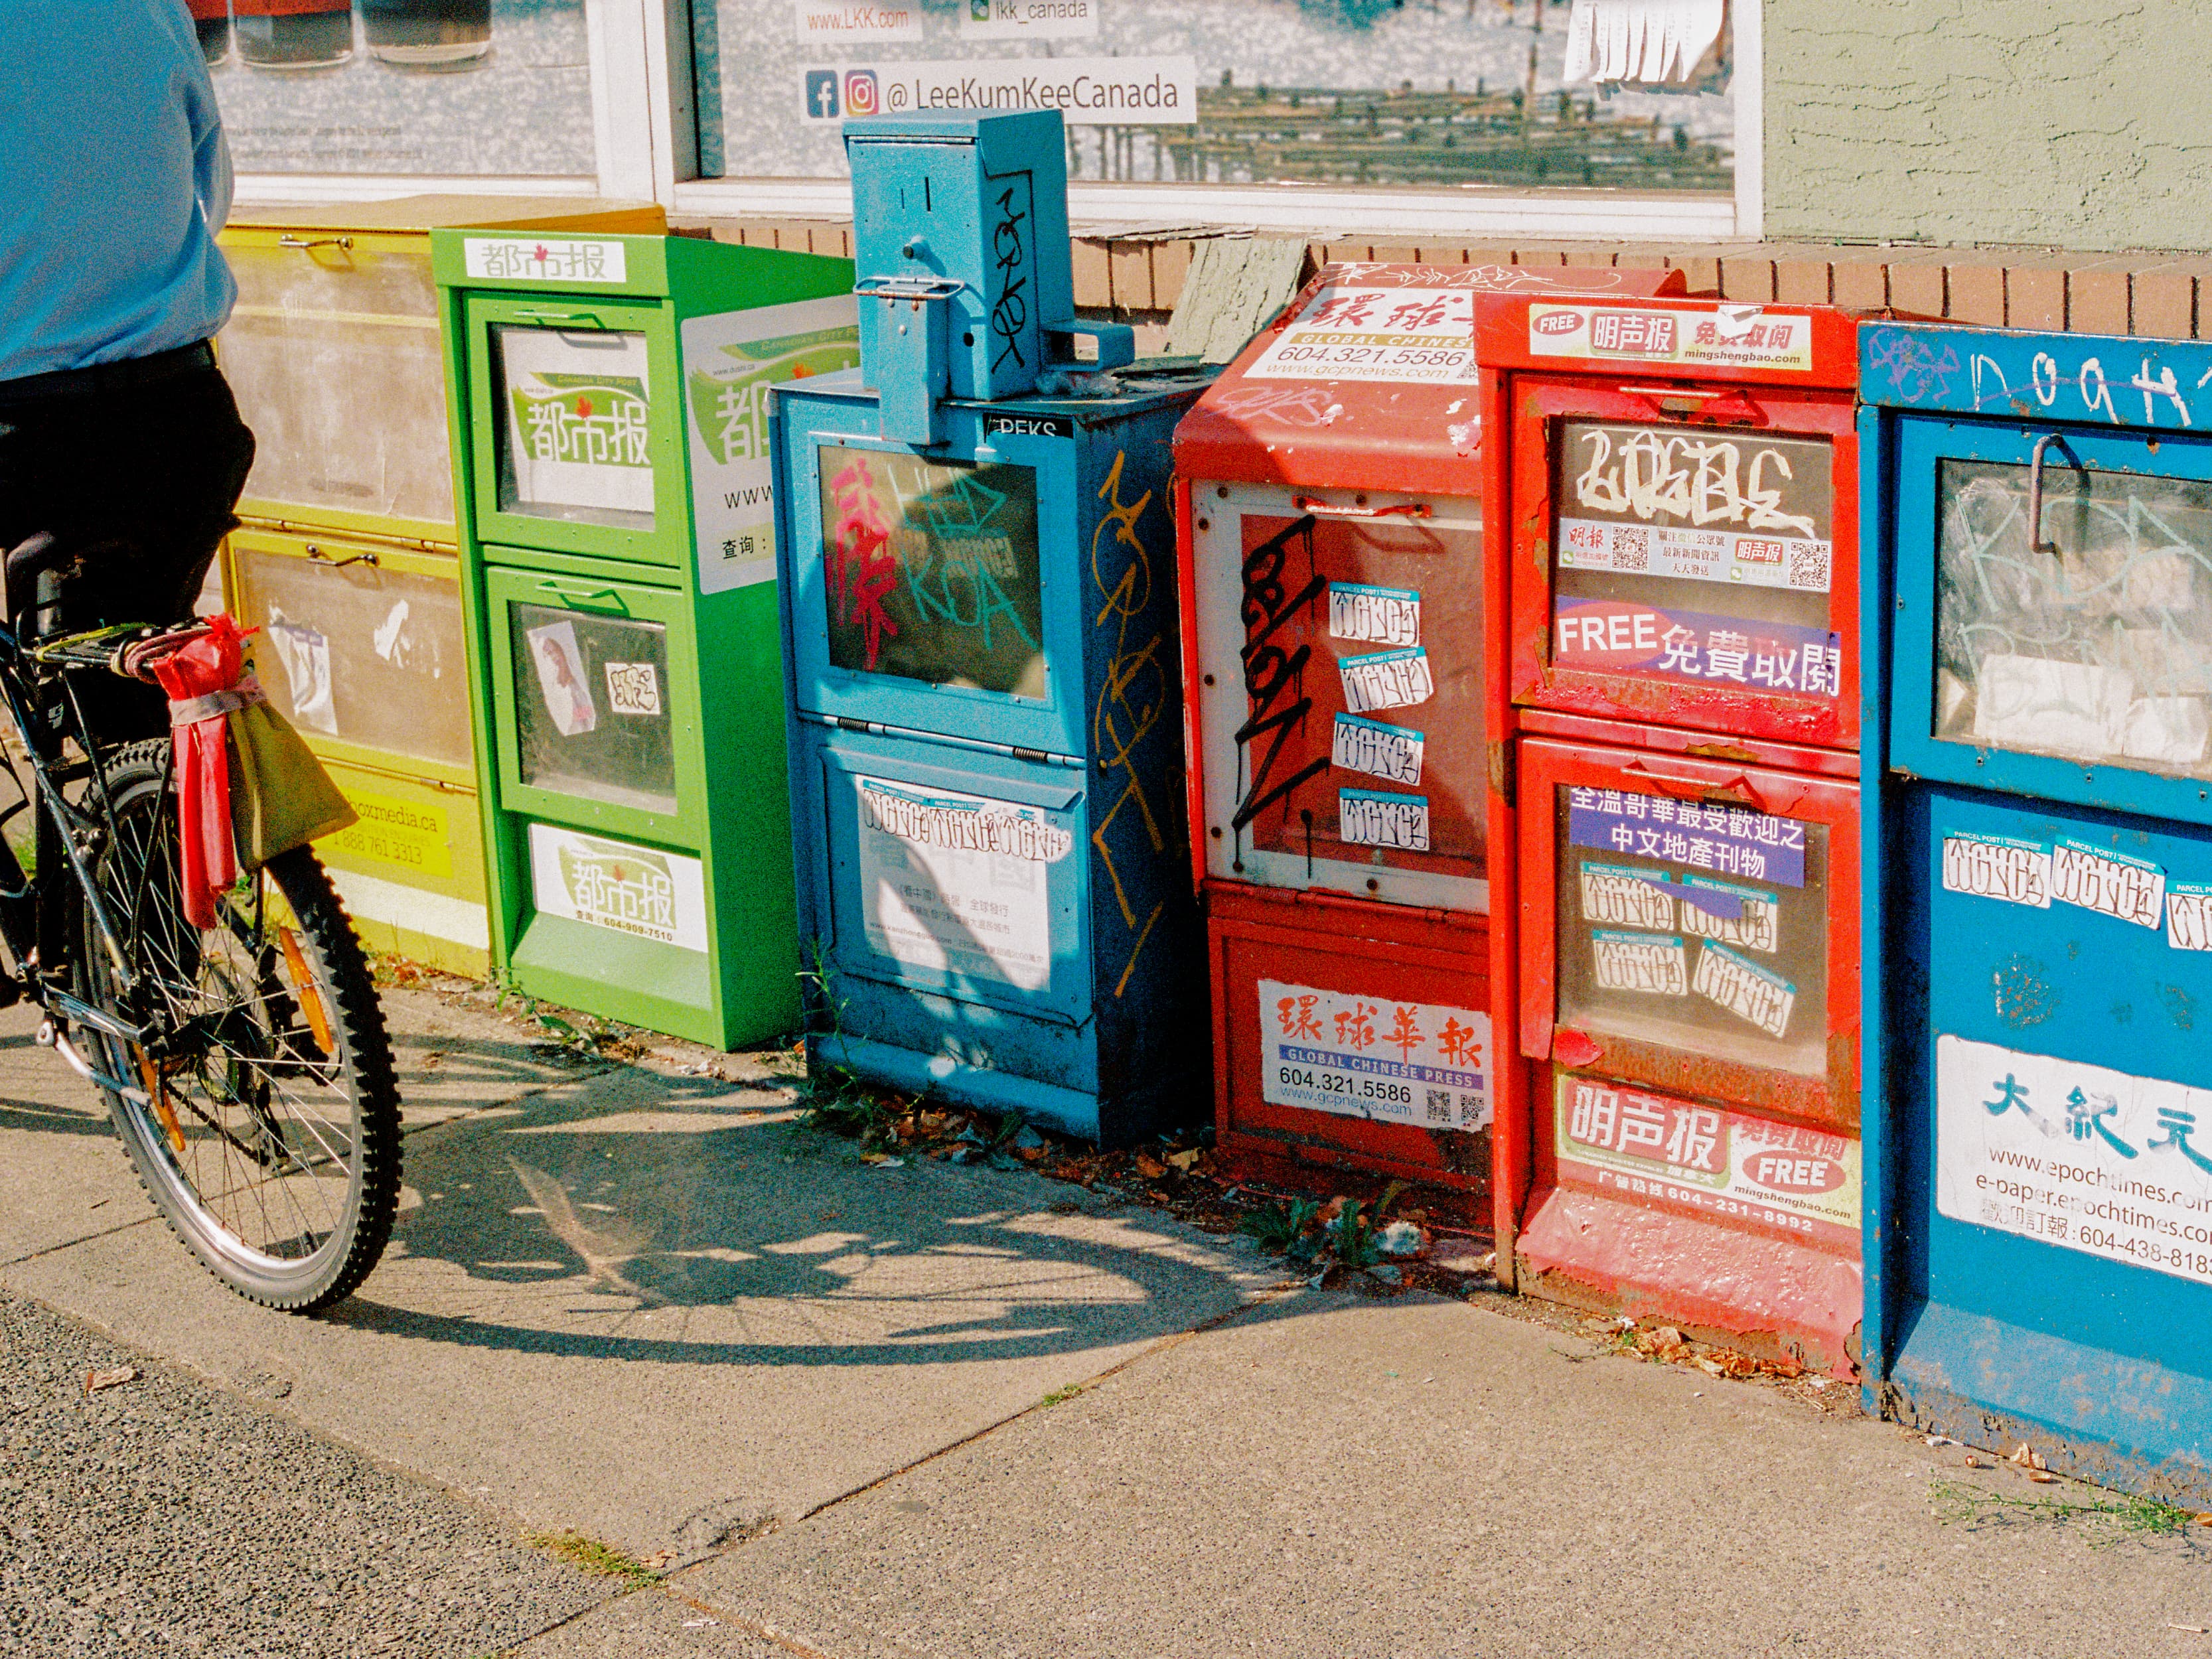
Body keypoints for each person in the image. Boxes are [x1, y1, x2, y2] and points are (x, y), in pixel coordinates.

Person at [0, 0, 255, 739]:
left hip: (24, 435)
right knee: (125, 695)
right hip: (183, 416)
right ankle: (146, 806)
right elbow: (215, 193)